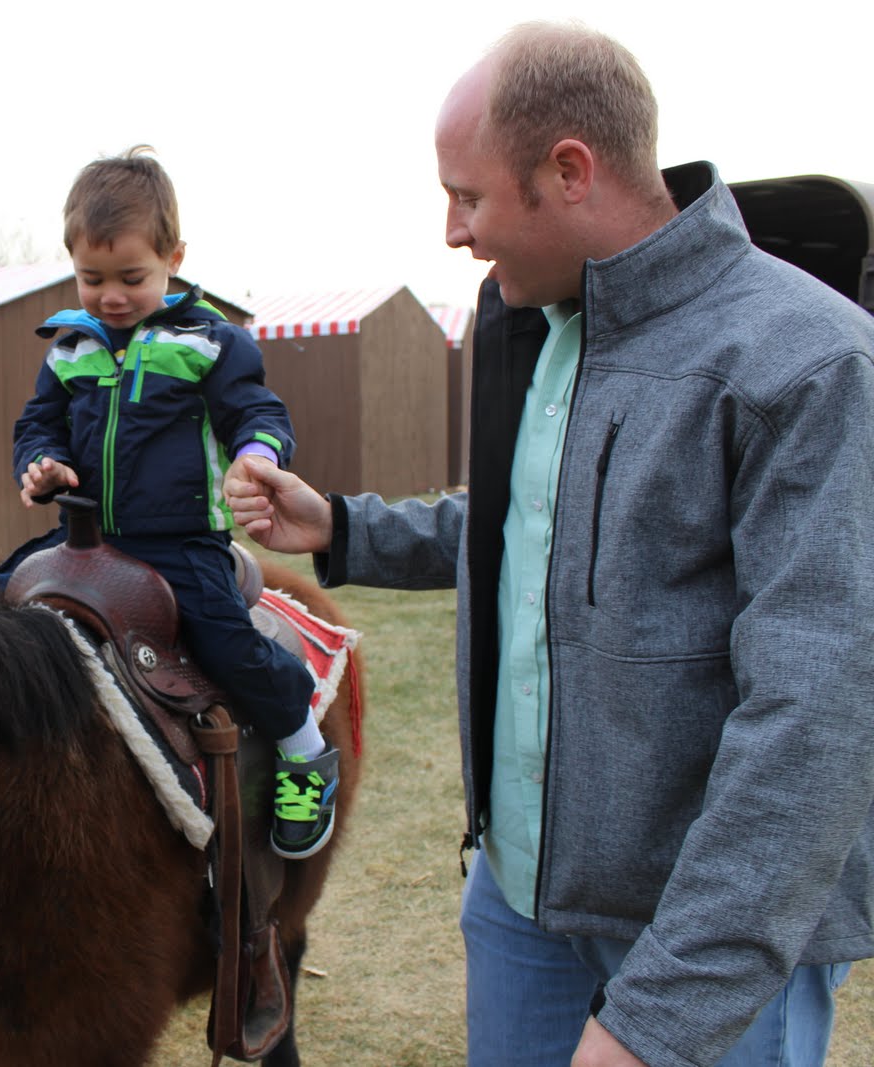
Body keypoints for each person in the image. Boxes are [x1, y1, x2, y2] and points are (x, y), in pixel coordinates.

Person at [226, 22, 874, 1067]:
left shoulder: (805, 363)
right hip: (518, 905)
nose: (450, 230)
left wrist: (656, 1015)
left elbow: (816, 723)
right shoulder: (538, 327)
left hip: (694, 950)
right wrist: (341, 528)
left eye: (467, 196)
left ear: (568, 171)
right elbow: (533, 526)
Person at [0, 146, 339, 860]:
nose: (111, 296)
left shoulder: (209, 341)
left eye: (132, 277)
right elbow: (38, 425)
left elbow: (256, 412)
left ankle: (303, 747)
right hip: (82, 538)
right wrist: (39, 464)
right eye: (92, 278)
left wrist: (256, 456)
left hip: (180, 542)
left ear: (174, 257)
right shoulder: (68, 346)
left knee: (225, 643)